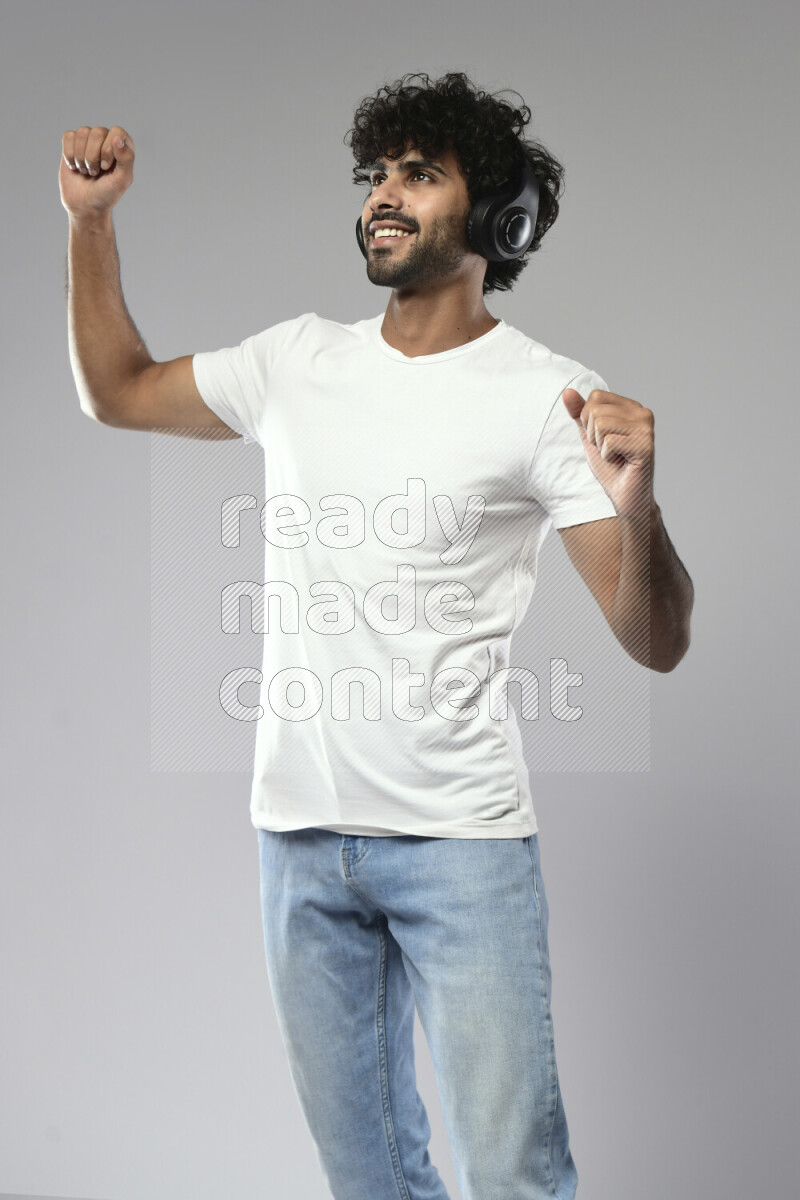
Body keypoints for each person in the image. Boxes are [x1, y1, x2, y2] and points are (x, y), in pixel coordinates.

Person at [61, 72, 694, 1200]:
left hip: (459, 846)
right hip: (298, 842)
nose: (384, 196)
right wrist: (92, 226)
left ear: (499, 220)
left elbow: (653, 640)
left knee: (511, 1177)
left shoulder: (549, 398)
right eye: (377, 175)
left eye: (420, 172)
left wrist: (637, 510)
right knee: (370, 1182)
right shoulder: (296, 359)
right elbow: (114, 390)